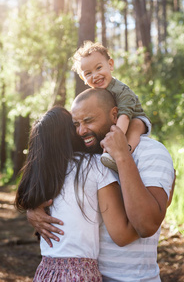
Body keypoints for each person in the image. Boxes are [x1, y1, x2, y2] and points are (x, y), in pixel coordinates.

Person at [27, 89, 175, 282]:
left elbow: (147, 226)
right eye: (76, 124)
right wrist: (33, 209)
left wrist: (122, 155)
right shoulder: (89, 159)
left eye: (88, 121)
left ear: (114, 115)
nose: (81, 131)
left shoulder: (152, 153)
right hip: (87, 276)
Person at [15, 106, 139, 281]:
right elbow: (122, 235)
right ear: (69, 134)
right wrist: (157, 210)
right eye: (74, 125)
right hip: (80, 274)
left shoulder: (43, 177)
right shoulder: (95, 166)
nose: (80, 130)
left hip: (45, 273)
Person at [71, 41, 151, 172]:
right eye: (88, 73)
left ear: (110, 65)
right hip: (115, 120)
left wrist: (115, 139)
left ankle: (125, 152)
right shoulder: (93, 96)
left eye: (98, 68)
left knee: (135, 126)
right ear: (82, 77)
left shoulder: (121, 90)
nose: (95, 75)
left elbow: (124, 116)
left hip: (134, 117)